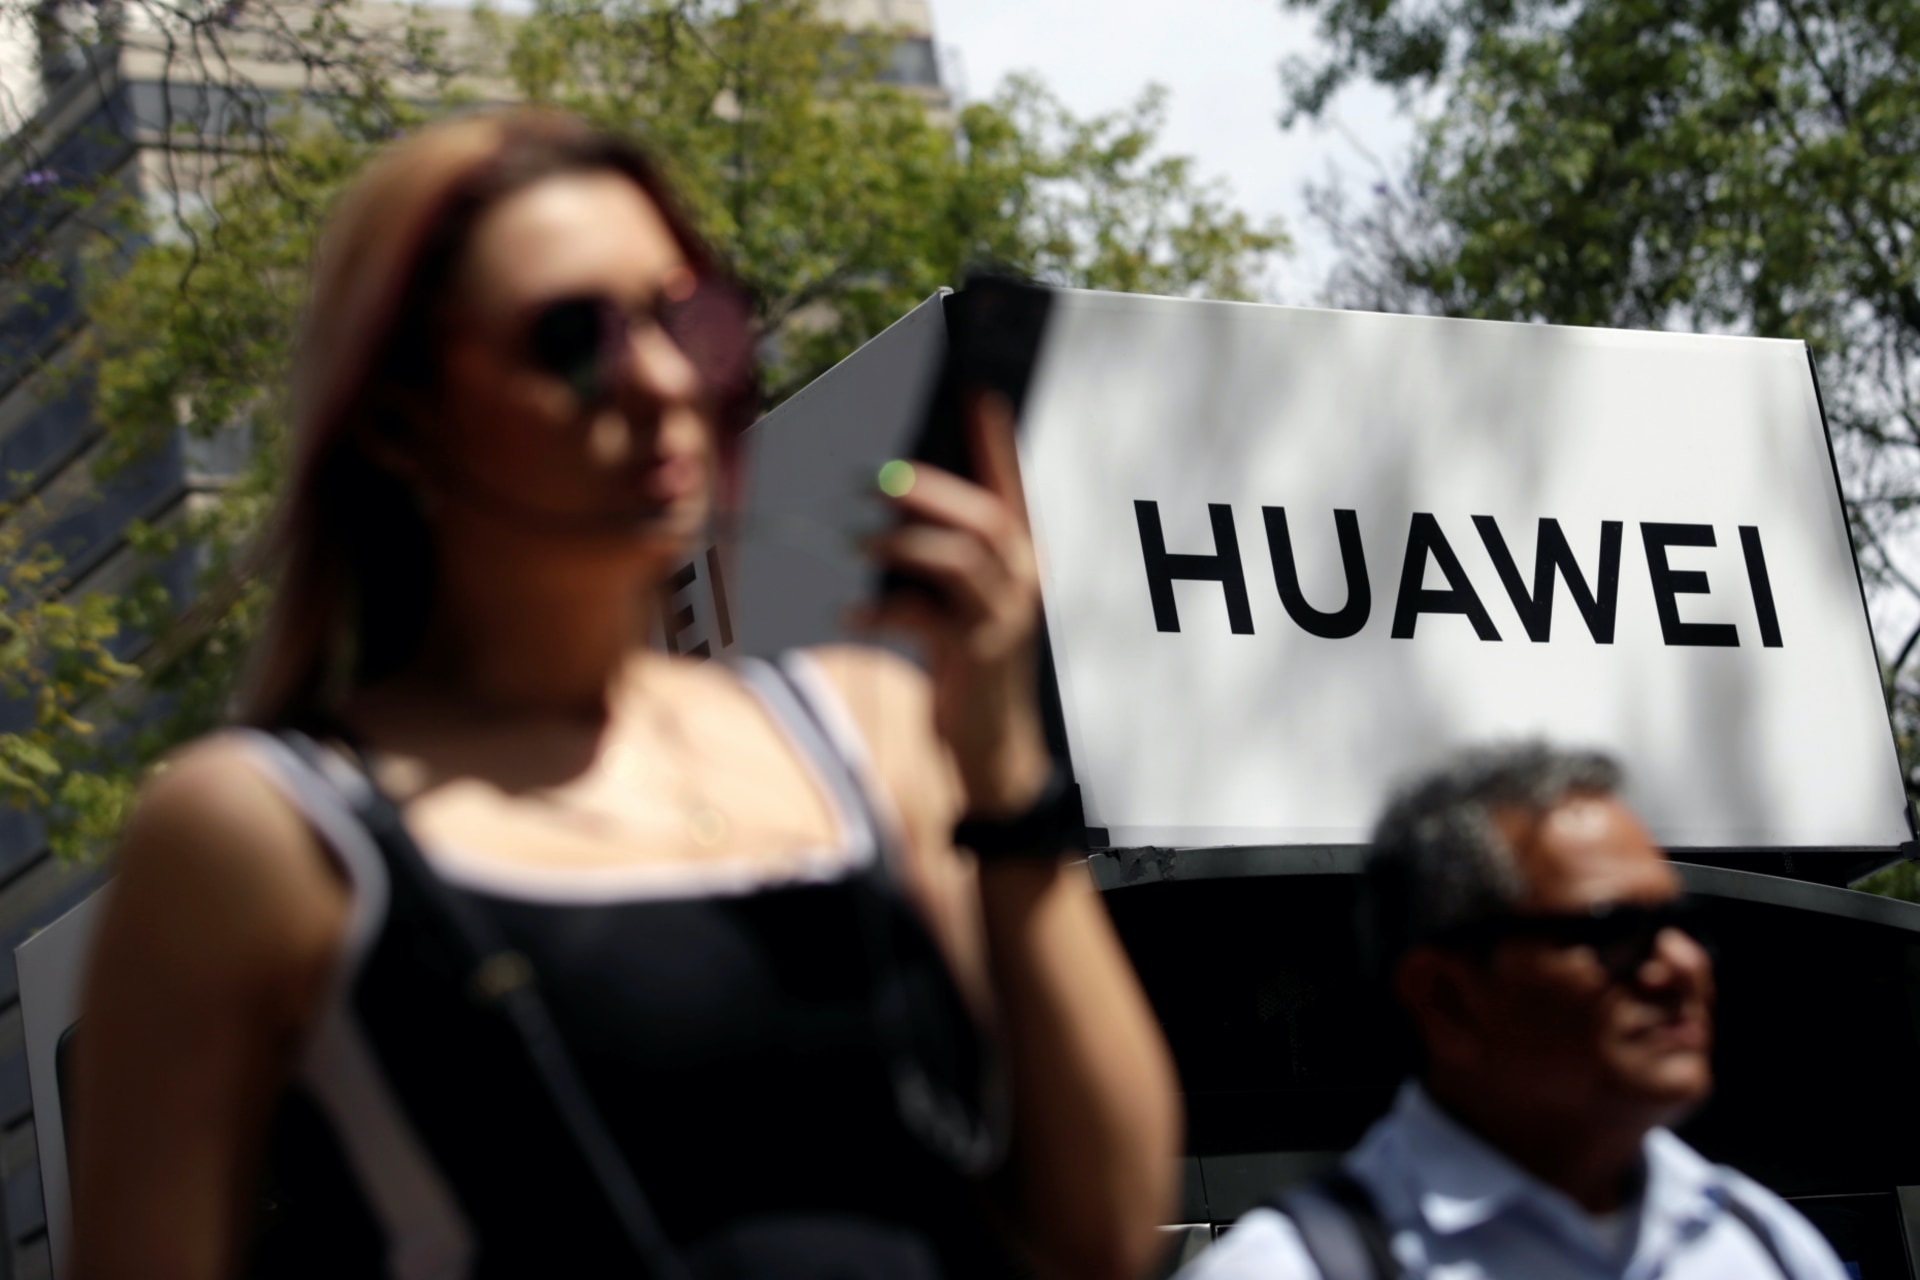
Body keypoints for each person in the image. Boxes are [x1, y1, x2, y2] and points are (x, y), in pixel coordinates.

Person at [67, 108, 1180, 1280]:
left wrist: (1003, 766)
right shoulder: (261, 831)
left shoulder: (868, 730)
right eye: (571, 338)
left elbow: (1103, 1229)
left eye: (689, 317)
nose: (659, 380)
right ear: (399, 416)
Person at [1179, 744, 1849, 1280]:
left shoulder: (1766, 1244)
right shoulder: (1292, 1267)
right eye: (1614, 929)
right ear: (1448, 997)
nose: (1681, 965)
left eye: (1680, 923)